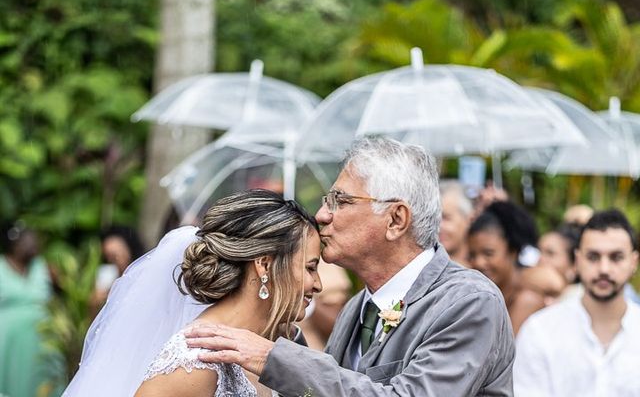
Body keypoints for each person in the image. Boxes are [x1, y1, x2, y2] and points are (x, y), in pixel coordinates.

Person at [185, 136, 515, 396]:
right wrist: (276, 327)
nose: (322, 215)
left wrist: (271, 357)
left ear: (396, 220)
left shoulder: (469, 302)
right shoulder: (358, 307)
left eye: (340, 201)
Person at [63, 189, 322, 397]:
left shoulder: (276, 345)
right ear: (264, 264)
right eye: (310, 268)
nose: (318, 284)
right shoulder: (194, 361)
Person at [513, 209, 640, 396]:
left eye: (616, 257)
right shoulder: (540, 331)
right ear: (578, 260)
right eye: (593, 257)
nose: (604, 268)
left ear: (634, 262)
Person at [468, 200, 565, 334]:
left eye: (488, 253)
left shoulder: (526, 299)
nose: (478, 262)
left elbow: (554, 283)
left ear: (512, 252)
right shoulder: (481, 293)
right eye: (472, 255)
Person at [0, 224, 53, 397]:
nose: (33, 243)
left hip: (42, 339)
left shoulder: (41, 266)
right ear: (14, 245)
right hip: (8, 342)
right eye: (27, 240)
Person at [439, 179, 473, 266]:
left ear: (469, 219)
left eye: (446, 218)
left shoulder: (484, 267)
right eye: (434, 219)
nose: (438, 226)